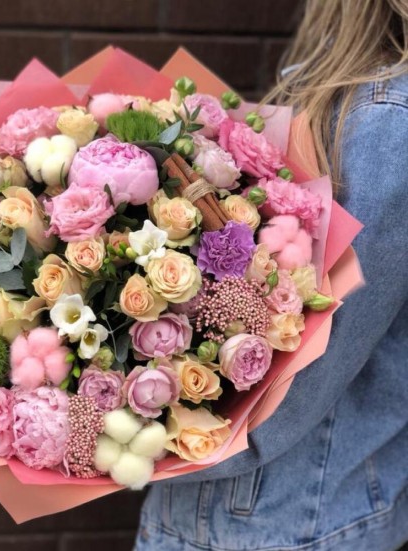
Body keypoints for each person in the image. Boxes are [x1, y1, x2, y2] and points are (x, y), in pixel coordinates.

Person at [135, 0, 408, 549]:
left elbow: (301, 381)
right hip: (288, 510)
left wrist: (111, 442)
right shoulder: (339, 95)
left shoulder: (384, 122)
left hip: (268, 517)